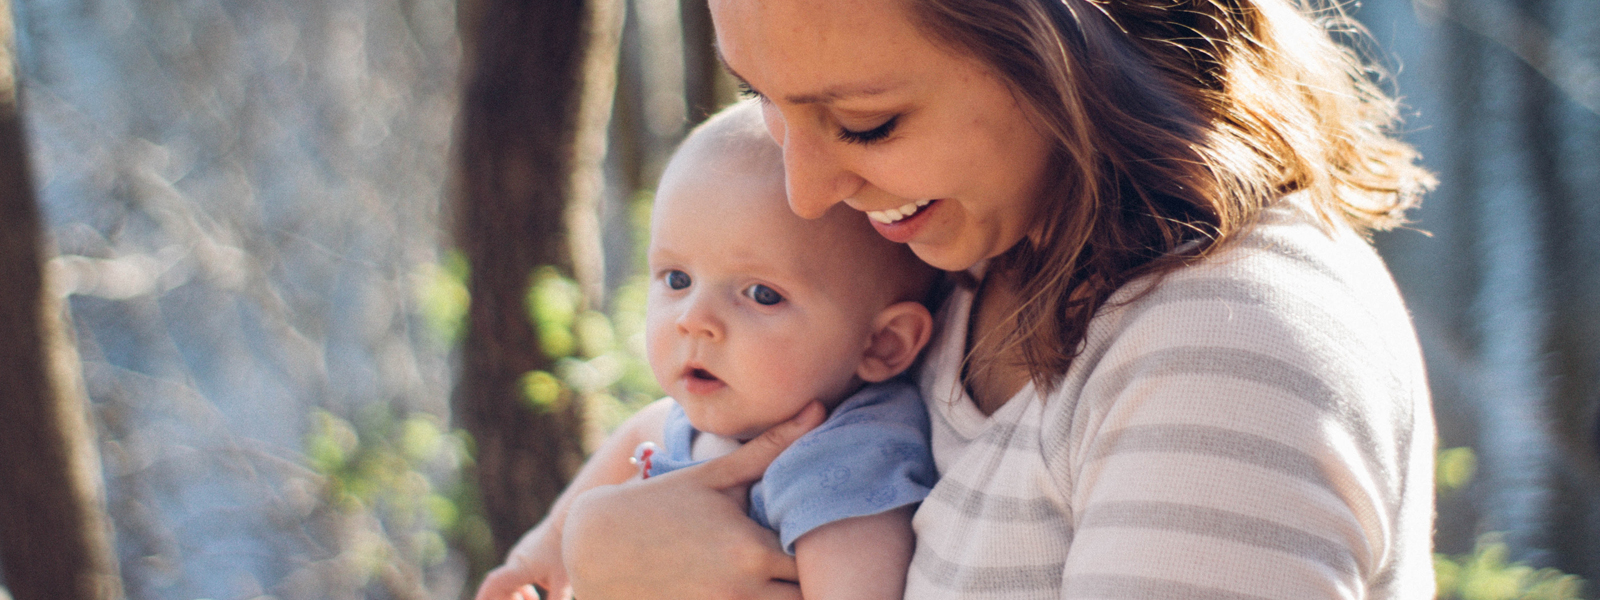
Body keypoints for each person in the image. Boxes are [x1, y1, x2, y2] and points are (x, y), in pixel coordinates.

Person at [518, 0, 1440, 597]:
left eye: (865, 123)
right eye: (763, 97)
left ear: (1063, 48)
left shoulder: (1230, 351)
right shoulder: (956, 264)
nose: (805, 194)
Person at [475, 101, 944, 600]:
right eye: (677, 279)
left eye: (761, 294)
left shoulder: (845, 463)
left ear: (882, 344)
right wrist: (542, 552)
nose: (693, 319)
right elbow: (638, 431)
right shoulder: (692, 420)